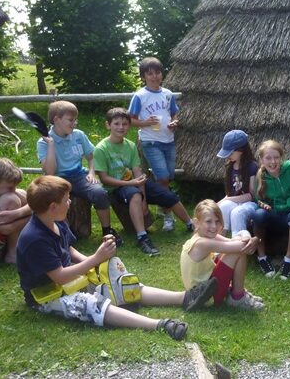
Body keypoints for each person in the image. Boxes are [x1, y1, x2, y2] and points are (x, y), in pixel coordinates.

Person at [16, 176, 216, 340]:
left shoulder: (56, 221)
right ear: (53, 207)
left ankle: (185, 297)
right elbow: (59, 277)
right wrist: (95, 259)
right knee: (92, 304)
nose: (69, 203)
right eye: (66, 200)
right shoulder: (34, 239)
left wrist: (93, 263)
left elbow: (67, 249)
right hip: (47, 297)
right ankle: (160, 325)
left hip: (71, 281)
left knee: (122, 283)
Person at [94, 107, 194, 256]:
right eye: (116, 124)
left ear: (129, 125)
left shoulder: (130, 145)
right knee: (135, 195)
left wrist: (144, 200)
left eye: (125, 124)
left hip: (134, 182)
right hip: (116, 187)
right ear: (108, 125)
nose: (121, 127)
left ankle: (191, 224)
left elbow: (138, 173)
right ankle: (142, 238)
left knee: (167, 195)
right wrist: (132, 185)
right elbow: (104, 179)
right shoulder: (101, 148)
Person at [36, 100, 122, 245]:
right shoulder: (43, 142)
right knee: (58, 201)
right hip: (57, 179)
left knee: (99, 193)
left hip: (79, 176)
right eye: (70, 120)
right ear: (56, 119)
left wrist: (91, 172)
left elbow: (91, 157)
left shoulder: (78, 135)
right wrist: (51, 144)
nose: (74, 123)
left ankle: (107, 230)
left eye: (75, 120)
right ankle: (65, 235)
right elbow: (50, 171)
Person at [128, 57, 192, 233]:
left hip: (168, 141)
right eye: (150, 74)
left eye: (157, 73)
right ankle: (168, 217)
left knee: (168, 178)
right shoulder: (140, 96)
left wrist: (174, 122)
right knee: (162, 177)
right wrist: (146, 122)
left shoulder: (168, 94)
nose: (154, 76)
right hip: (150, 141)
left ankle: (162, 207)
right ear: (143, 77)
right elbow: (130, 119)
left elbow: (174, 114)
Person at [180, 199, 264, 310]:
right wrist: (254, 238)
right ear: (197, 223)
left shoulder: (202, 236)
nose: (214, 226)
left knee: (226, 253)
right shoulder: (202, 243)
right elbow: (241, 247)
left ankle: (234, 291)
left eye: (217, 221)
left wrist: (246, 236)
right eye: (208, 221)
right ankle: (237, 297)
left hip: (205, 289)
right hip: (204, 297)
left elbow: (233, 241)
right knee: (238, 252)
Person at [252, 140, 290, 279]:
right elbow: (258, 198)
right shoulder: (261, 176)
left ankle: (288, 260)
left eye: (276, 157)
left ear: (282, 157)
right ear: (261, 159)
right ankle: (262, 257)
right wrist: (262, 204)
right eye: (268, 158)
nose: (273, 162)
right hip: (273, 216)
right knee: (258, 214)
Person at [216, 130, 258, 237]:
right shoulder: (230, 167)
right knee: (223, 206)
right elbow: (230, 193)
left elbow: (251, 196)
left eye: (231, 152)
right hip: (235, 201)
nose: (228, 155)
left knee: (237, 213)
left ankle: (237, 241)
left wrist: (228, 199)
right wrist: (216, 204)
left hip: (250, 204)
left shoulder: (252, 166)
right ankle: (220, 239)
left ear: (241, 150)